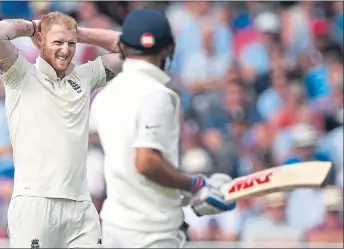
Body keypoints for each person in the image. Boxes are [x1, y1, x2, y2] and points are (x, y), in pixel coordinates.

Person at [90, 8, 236, 248]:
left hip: (114, 226)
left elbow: (129, 164)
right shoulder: (157, 95)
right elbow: (146, 162)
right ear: (168, 48)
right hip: (151, 232)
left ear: (124, 48)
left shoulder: (105, 97)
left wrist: (184, 190)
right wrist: (194, 184)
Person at [0, 11, 122, 248]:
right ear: (40, 41)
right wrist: (34, 27)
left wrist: (76, 32)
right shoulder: (20, 74)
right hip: (34, 203)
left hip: (81, 205)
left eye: (71, 44)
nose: (65, 50)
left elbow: (128, 48)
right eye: (57, 42)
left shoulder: (86, 76)